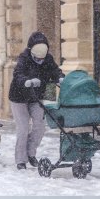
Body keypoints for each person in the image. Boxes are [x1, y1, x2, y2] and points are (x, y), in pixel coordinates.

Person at [8, 32, 63, 170]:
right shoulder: (23, 58)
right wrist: (27, 81)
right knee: (23, 128)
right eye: (37, 59)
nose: (40, 61)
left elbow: (55, 71)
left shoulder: (48, 59)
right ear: (31, 52)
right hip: (19, 97)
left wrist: (61, 78)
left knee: (40, 126)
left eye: (42, 59)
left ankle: (31, 153)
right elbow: (18, 74)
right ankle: (21, 160)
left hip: (37, 97)